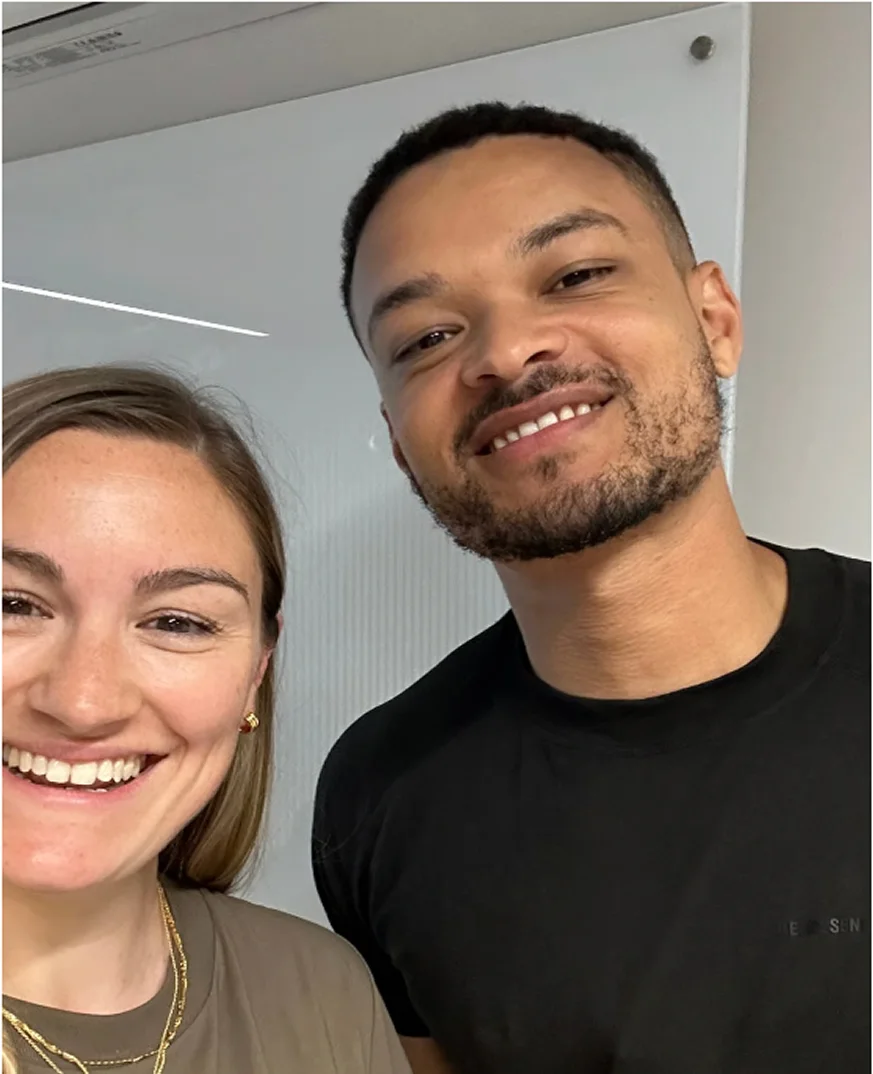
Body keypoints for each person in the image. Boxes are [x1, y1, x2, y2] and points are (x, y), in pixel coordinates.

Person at [312, 102, 870, 1074]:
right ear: (401, 444)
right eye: (426, 337)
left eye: (573, 275)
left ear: (715, 321)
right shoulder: (380, 792)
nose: (502, 352)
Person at [2, 366, 412, 1074]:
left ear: (255, 672)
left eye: (177, 622)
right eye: (13, 605)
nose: (83, 701)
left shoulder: (321, 992)